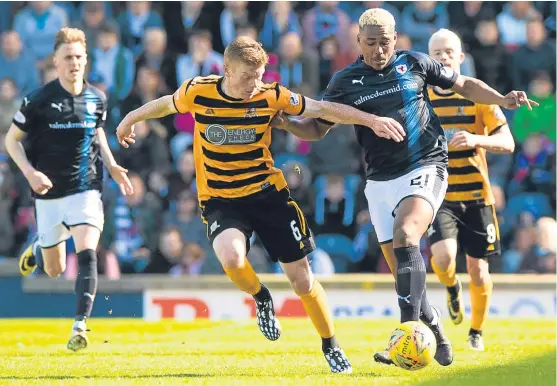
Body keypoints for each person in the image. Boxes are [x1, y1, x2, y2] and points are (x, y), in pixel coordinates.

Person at [115, 35, 404, 374]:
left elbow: (321, 108)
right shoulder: (199, 91)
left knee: (302, 281)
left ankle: (331, 344)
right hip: (222, 198)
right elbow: (165, 104)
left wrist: (370, 120)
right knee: (231, 257)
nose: (255, 84)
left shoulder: (272, 94)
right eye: (247, 76)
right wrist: (130, 118)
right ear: (225, 69)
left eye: (260, 75)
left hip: (268, 195)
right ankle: (262, 296)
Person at [271, 8, 537, 367]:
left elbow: (463, 83)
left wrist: (501, 98)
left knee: (407, 234)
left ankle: (404, 331)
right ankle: (436, 331)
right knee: (405, 277)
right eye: (371, 43)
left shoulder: (414, 62)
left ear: (395, 39)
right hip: (380, 180)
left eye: (385, 42)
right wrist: (288, 125)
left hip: (427, 165)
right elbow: (317, 128)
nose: (380, 50)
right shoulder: (344, 81)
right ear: (358, 42)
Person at [4, 28, 132, 351]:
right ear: (56, 63)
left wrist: (112, 164)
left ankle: (80, 325)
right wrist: (31, 173)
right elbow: (11, 141)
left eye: (78, 57)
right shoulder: (37, 101)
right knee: (54, 268)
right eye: (67, 58)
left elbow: (98, 131)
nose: (74, 63)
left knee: (88, 252)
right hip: (48, 192)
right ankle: (37, 250)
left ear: (86, 61)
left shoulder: (97, 98)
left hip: (86, 188)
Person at [426, 29, 515, 351]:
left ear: (461, 58)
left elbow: (508, 142)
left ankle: (476, 331)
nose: (443, 57)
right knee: (444, 259)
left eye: (449, 51)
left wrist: (477, 139)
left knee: (478, 271)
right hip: (439, 195)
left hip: (477, 195)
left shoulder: (479, 98)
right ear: (429, 58)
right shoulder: (421, 99)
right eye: (437, 52)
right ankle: (451, 287)